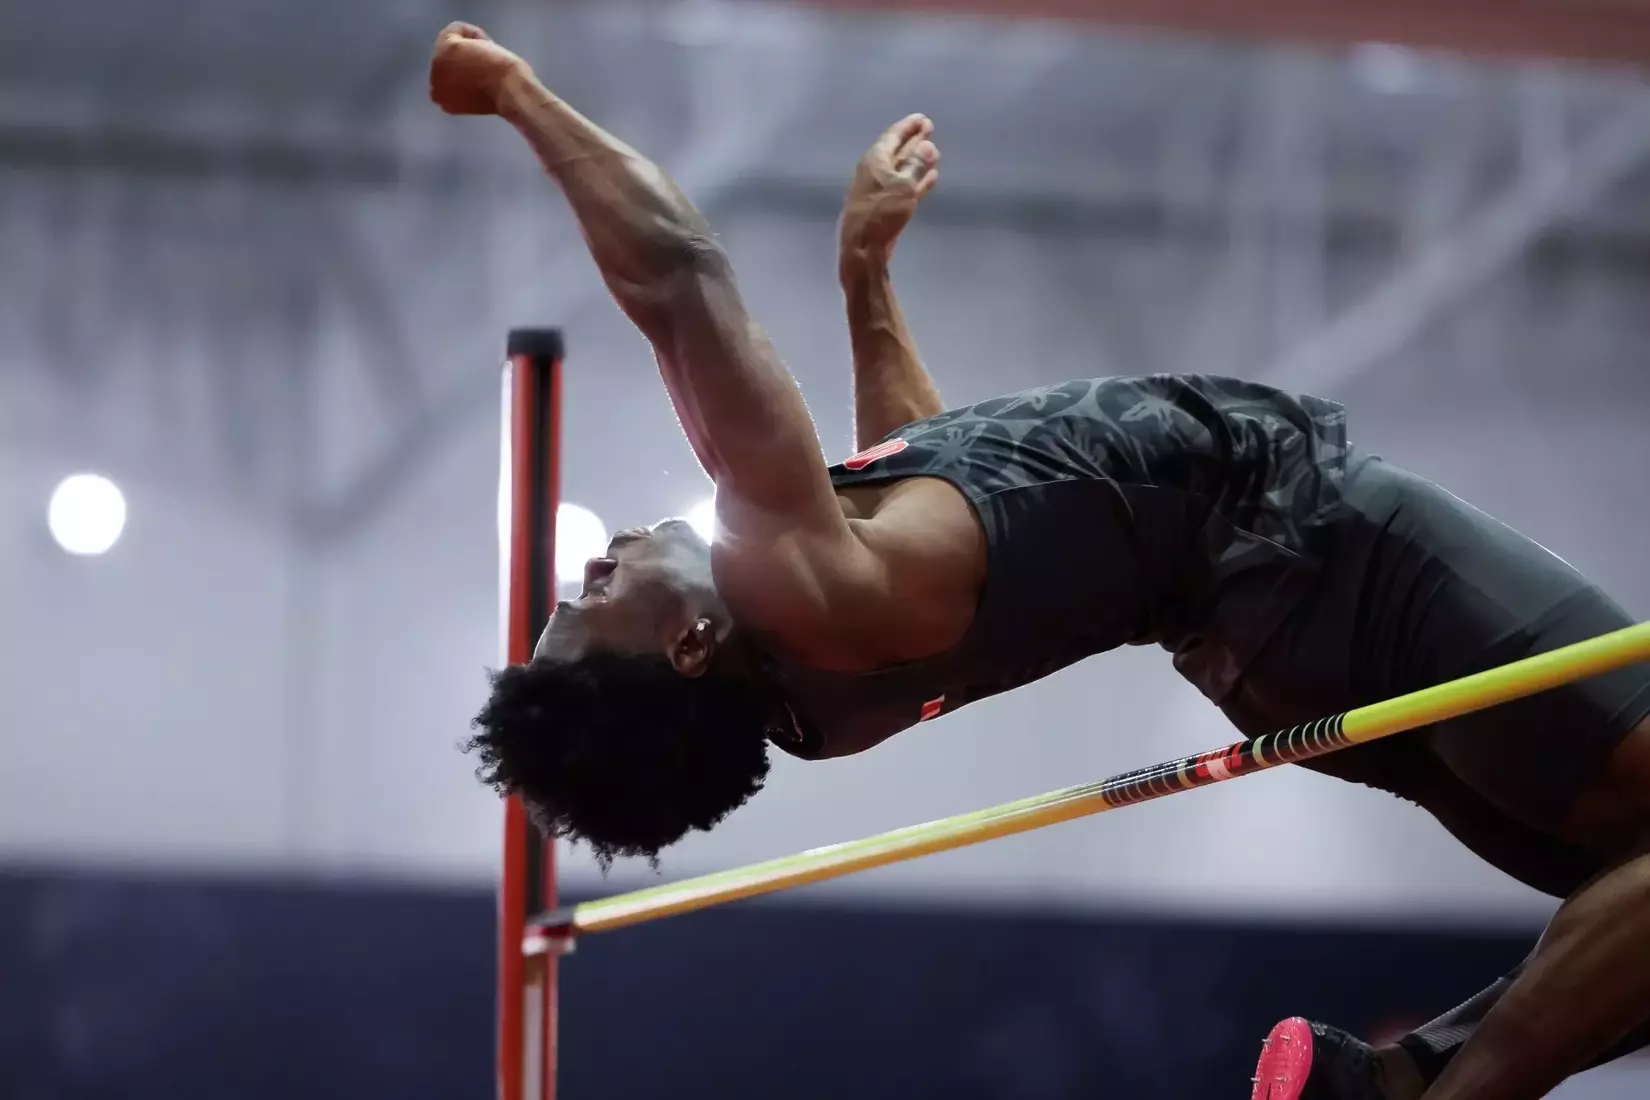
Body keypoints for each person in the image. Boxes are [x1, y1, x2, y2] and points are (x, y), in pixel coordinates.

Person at [429, 23, 1650, 1100]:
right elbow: (676, 273)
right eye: (589, 605)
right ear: (690, 645)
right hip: (1317, 553)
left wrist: (866, 280)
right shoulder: (785, 578)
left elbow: (946, 472)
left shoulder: (823, 661)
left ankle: (1387, 1076)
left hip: (1264, 640)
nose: (591, 571)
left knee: (1629, 893)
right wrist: (520, 91)